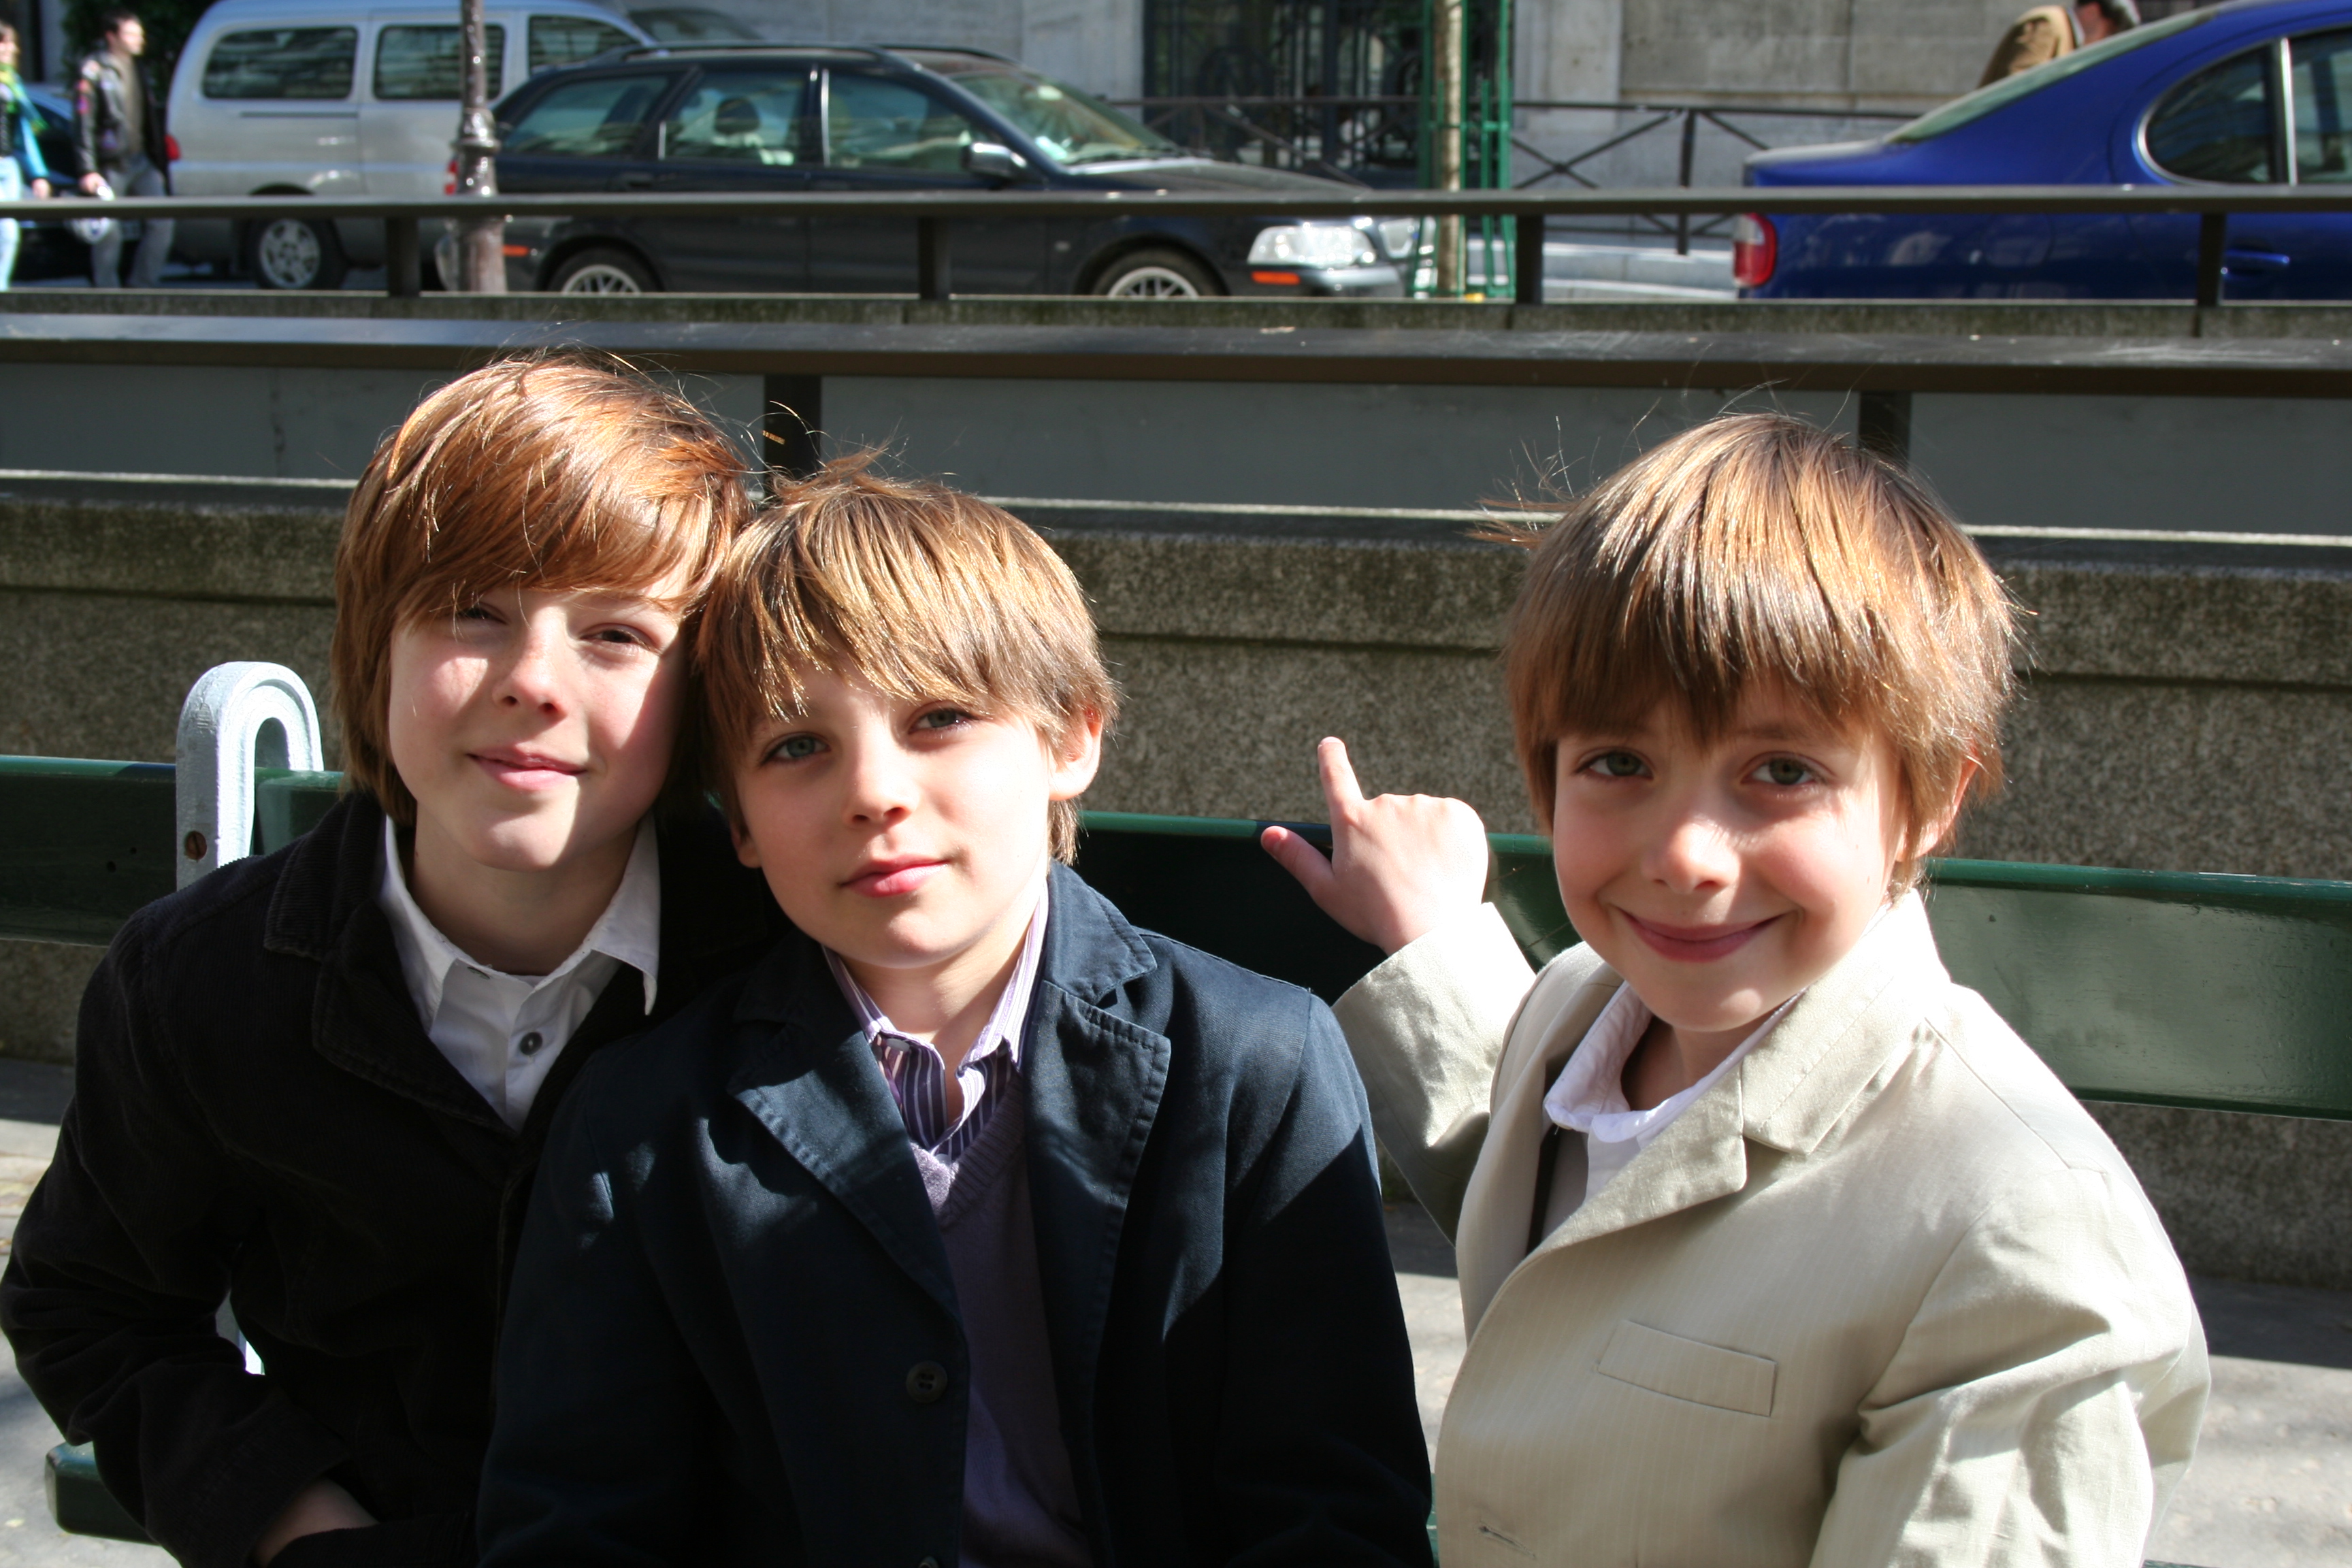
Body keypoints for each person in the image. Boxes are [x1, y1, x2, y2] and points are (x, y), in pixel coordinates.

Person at [1260, 412, 2209, 1567]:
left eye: (1781, 771)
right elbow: (1572, 1220)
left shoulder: (2017, 1246)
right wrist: (1435, 937)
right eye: (1619, 762)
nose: (1686, 855)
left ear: (1927, 798)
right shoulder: (1581, 1007)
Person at [477, 460, 1433, 1567]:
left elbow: (1335, 1513)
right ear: (737, 823)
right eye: (796, 746)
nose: (873, 793)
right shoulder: (640, 1124)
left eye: (938, 717)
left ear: (1070, 739)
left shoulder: (1259, 1063)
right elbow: (575, 1524)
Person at [0, 359, 786, 1568]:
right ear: (376, 645)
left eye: (617, 633)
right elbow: (91, 1302)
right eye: (473, 610)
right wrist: (297, 1526)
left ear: (703, 696)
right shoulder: (203, 980)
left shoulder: (786, 961)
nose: (532, 681)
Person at [73, 5, 172, 287]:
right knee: (109, 231)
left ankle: (143, 284)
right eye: (131, 34)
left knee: (164, 220)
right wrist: (87, 169)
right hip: (110, 163)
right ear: (112, 37)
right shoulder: (95, 71)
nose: (139, 40)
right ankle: (107, 292)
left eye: (139, 34)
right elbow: (83, 122)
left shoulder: (140, 68)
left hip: (141, 160)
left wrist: (158, 160)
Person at [0, 19, 55, 289]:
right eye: (3, 42)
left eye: (12, 43)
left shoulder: (11, 81)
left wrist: (37, 174)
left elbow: (23, 133)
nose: (11, 49)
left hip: (8, 164)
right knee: (6, 232)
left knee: (9, 233)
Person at [1979, 0, 2140, 85]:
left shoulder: (2067, 33)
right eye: (2110, 31)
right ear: (2092, 12)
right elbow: (2019, 85)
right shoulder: (2050, 24)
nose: (2106, 39)